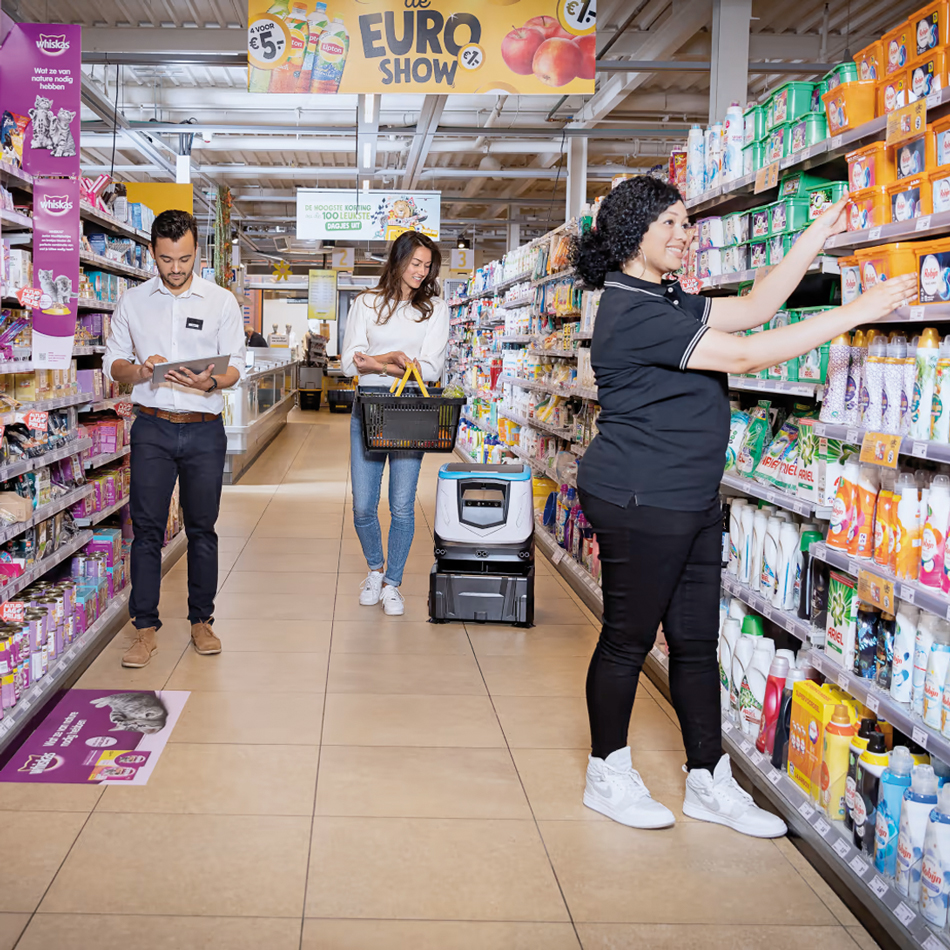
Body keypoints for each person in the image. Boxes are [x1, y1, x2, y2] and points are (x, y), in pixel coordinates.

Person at [572, 176, 916, 836]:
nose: (686, 234)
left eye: (687, 223)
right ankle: (606, 772)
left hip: (689, 493)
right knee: (628, 639)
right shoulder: (633, 309)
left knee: (698, 643)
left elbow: (757, 307)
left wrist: (818, 233)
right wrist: (857, 310)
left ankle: (708, 778)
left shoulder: (662, 295)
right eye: (671, 223)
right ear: (632, 235)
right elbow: (750, 351)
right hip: (643, 495)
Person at [104, 209, 247, 668]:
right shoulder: (133, 301)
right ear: (152, 253)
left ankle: (201, 621)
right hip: (153, 425)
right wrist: (142, 369)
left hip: (204, 429)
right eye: (167, 259)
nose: (176, 268)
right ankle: (144, 629)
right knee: (145, 531)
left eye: (184, 258)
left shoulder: (220, 301)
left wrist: (212, 383)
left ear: (196, 252)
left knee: (203, 529)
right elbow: (115, 364)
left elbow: (236, 367)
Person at [340, 232, 449, 616]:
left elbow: (432, 368)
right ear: (398, 260)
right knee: (363, 505)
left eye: (426, 266)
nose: (421, 272)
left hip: (411, 412)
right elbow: (347, 362)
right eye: (415, 263)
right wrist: (394, 359)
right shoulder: (366, 303)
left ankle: (392, 583)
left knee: (402, 506)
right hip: (368, 410)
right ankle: (374, 568)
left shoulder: (436, 308)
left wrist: (375, 363)